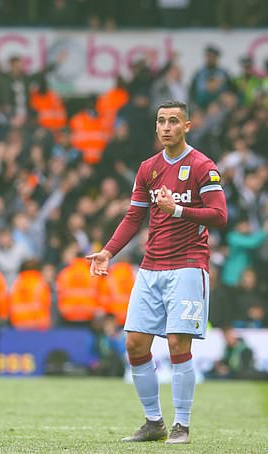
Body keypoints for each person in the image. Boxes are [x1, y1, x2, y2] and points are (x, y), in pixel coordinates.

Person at [87, 100, 227, 444]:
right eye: (161, 121)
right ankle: (153, 422)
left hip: (188, 266)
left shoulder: (202, 166)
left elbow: (220, 215)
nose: (166, 127)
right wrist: (108, 252)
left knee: (178, 343)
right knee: (134, 344)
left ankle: (182, 425)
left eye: (173, 121)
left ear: (187, 126)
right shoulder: (148, 167)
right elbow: (134, 217)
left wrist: (177, 209)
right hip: (150, 267)